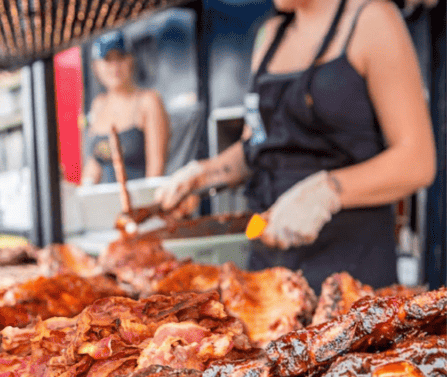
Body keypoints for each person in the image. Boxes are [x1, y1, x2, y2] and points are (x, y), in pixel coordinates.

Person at [154, 0, 435, 290]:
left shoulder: (373, 19)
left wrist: (326, 192)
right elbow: (258, 145)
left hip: (352, 276)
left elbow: (417, 161)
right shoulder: (270, 34)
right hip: (270, 277)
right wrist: (205, 173)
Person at [81, 31, 169, 185]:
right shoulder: (98, 104)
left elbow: (156, 169)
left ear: (131, 60)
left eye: (120, 57)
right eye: (108, 59)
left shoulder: (148, 101)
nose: (115, 66)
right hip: (105, 203)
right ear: (96, 66)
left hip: (138, 204)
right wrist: (81, 196)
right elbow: (93, 166)